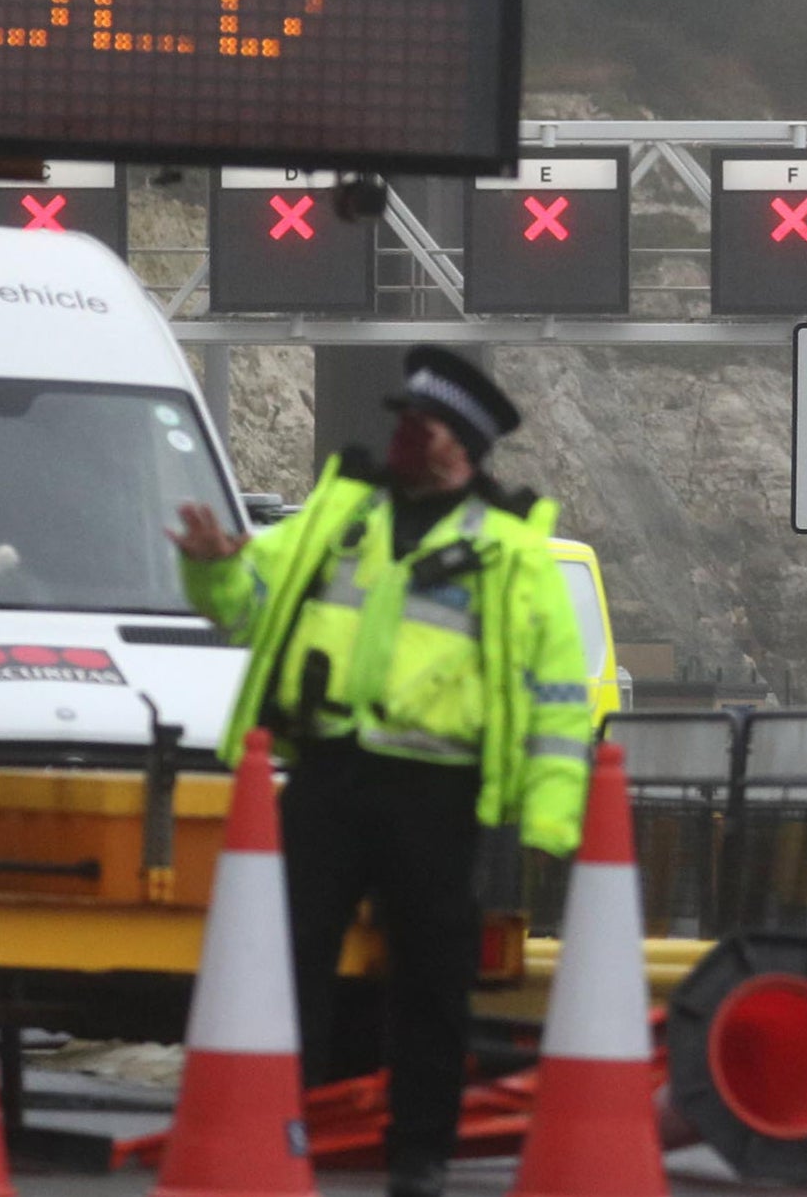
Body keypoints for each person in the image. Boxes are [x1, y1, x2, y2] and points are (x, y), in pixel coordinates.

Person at [170, 348, 592, 1197]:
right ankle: (287, 1127)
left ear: (459, 447)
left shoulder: (510, 555)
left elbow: (556, 700)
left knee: (432, 982)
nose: (400, 436)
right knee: (287, 960)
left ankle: (417, 1155)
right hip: (328, 774)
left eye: (419, 426)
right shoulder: (337, 518)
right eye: (400, 423)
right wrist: (215, 562)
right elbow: (246, 606)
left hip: (437, 794)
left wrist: (551, 820)